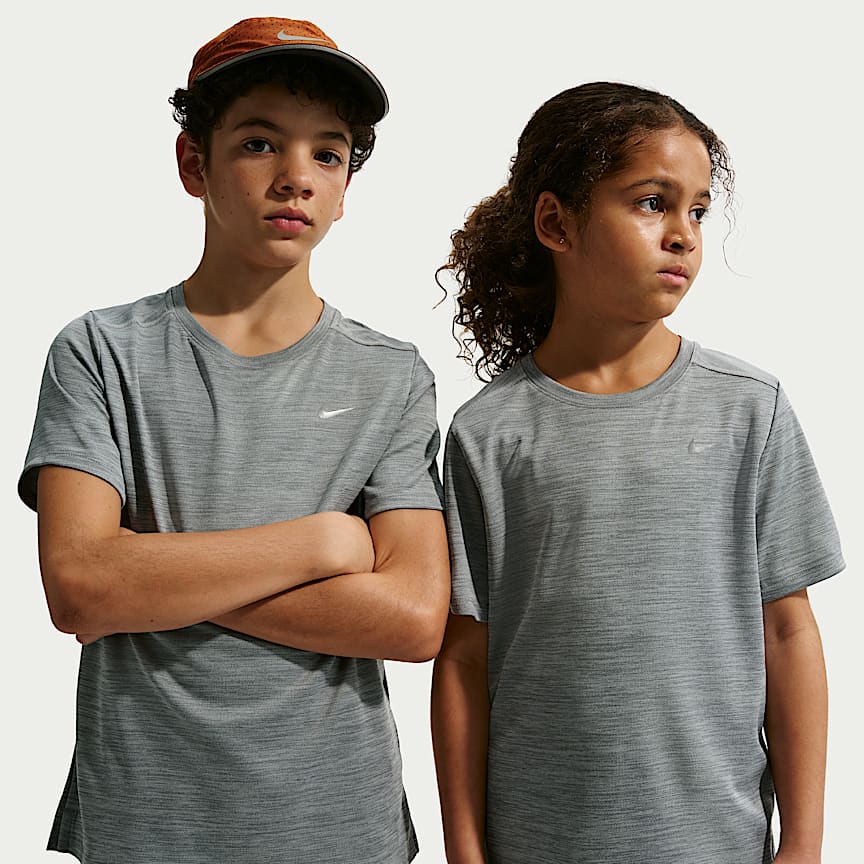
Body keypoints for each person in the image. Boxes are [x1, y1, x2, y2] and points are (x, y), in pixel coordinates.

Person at [18, 17, 449, 864]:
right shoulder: (100, 352)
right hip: (146, 824)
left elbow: (411, 620)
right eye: (259, 143)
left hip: (340, 827)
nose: (297, 177)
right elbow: (79, 589)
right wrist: (322, 543)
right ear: (193, 163)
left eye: (328, 154)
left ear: (345, 187)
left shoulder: (392, 376)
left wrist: (149, 579)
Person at [431, 82, 843, 864]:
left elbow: (789, 633)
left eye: (698, 210)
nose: (683, 235)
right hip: (540, 844)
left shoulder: (748, 409)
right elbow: (465, 658)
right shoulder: (487, 433)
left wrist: (805, 845)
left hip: (716, 845)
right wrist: (466, 851)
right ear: (556, 223)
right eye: (653, 203)